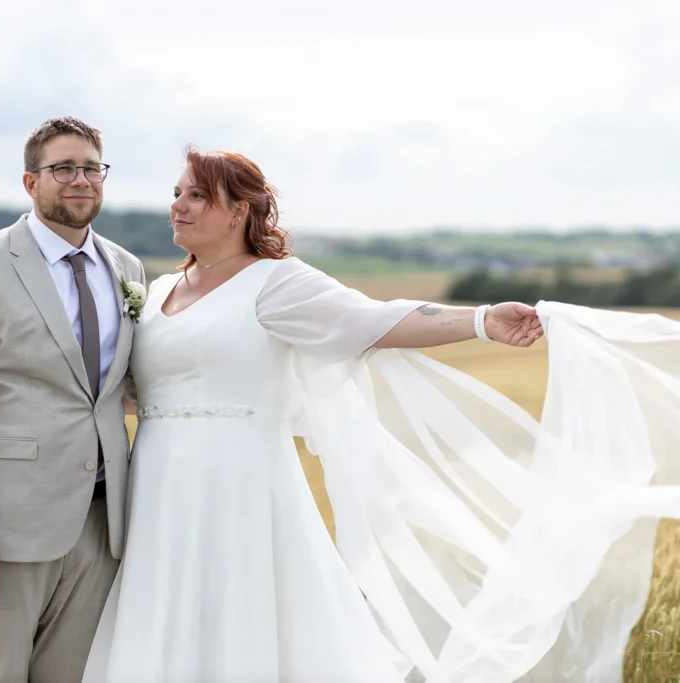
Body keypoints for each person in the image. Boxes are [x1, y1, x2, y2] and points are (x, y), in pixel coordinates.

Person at [81, 146, 680, 682]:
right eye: (176, 193)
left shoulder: (276, 284)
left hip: (242, 486)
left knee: (244, 613)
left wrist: (480, 319)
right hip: (160, 484)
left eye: (195, 195)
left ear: (239, 211)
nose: (177, 206)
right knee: (164, 609)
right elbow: (129, 388)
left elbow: (375, 319)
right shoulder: (157, 293)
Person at [0, 116, 146, 682]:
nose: (80, 180)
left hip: (103, 524)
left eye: (92, 168)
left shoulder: (126, 269)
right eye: (62, 168)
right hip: (8, 530)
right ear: (30, 182)